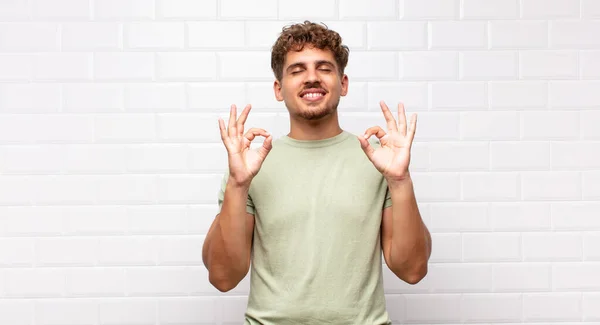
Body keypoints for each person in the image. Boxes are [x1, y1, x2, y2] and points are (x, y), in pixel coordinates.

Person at [202, 21, 432, 325]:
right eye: (297, 70)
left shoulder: (378, 159)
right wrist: (237, 184)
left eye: (324, 68)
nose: (311, 78)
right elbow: (222, 277)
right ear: (278, 89)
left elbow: (412, 270)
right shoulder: (250, 165)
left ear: (343, 83)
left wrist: (400, 182)